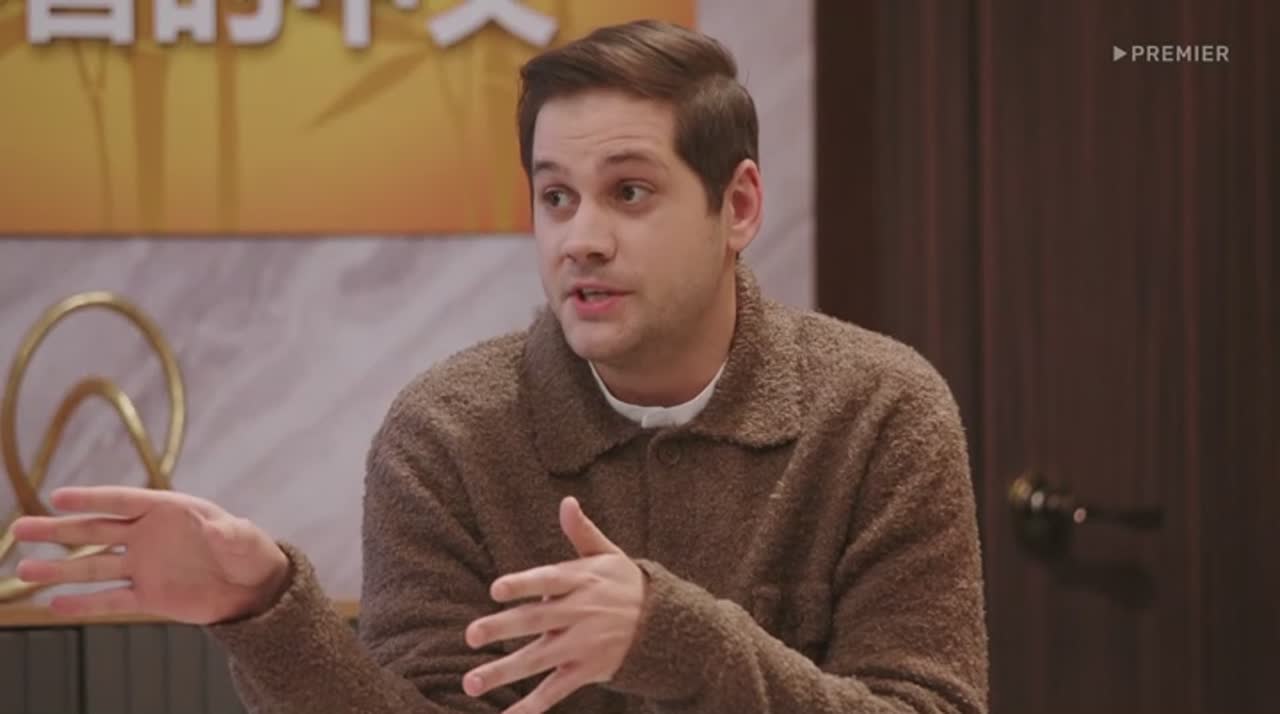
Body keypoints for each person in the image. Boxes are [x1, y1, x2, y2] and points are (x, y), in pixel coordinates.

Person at [11, 19, 988, 714]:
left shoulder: (879, 410)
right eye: (556, 198)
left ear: (736, 207)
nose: (581, 239)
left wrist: (672, 638)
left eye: (629, 192)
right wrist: (264, 607)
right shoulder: (448, 430)